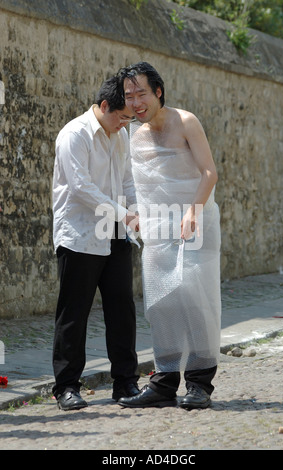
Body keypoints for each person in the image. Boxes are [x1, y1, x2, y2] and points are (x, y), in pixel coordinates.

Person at [117, 62, 221, 410]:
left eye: (141, 93)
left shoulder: (185, 121)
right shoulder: (135, 134)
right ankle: (164, 382)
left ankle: (199, 383)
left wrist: (193, 211)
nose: (135, 102)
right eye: (129, 96)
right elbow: (143, 186)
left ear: (158, 91)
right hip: (158, 230)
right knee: (161, 303)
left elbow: (209, 172)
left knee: (194, 297)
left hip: (195, 223)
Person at [52, 75, 140, 410]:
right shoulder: (74, 134)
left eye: (129, 119)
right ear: (104, 107)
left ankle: (126, 383)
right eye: (121, 117)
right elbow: (81, 188)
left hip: (116, 231)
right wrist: (123, 213)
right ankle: (66, 387)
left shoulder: (121, 134)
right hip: (80, 234)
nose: (124, 124)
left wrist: (134, 211)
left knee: (123, 309)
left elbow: (128, 178)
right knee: (74, 312)